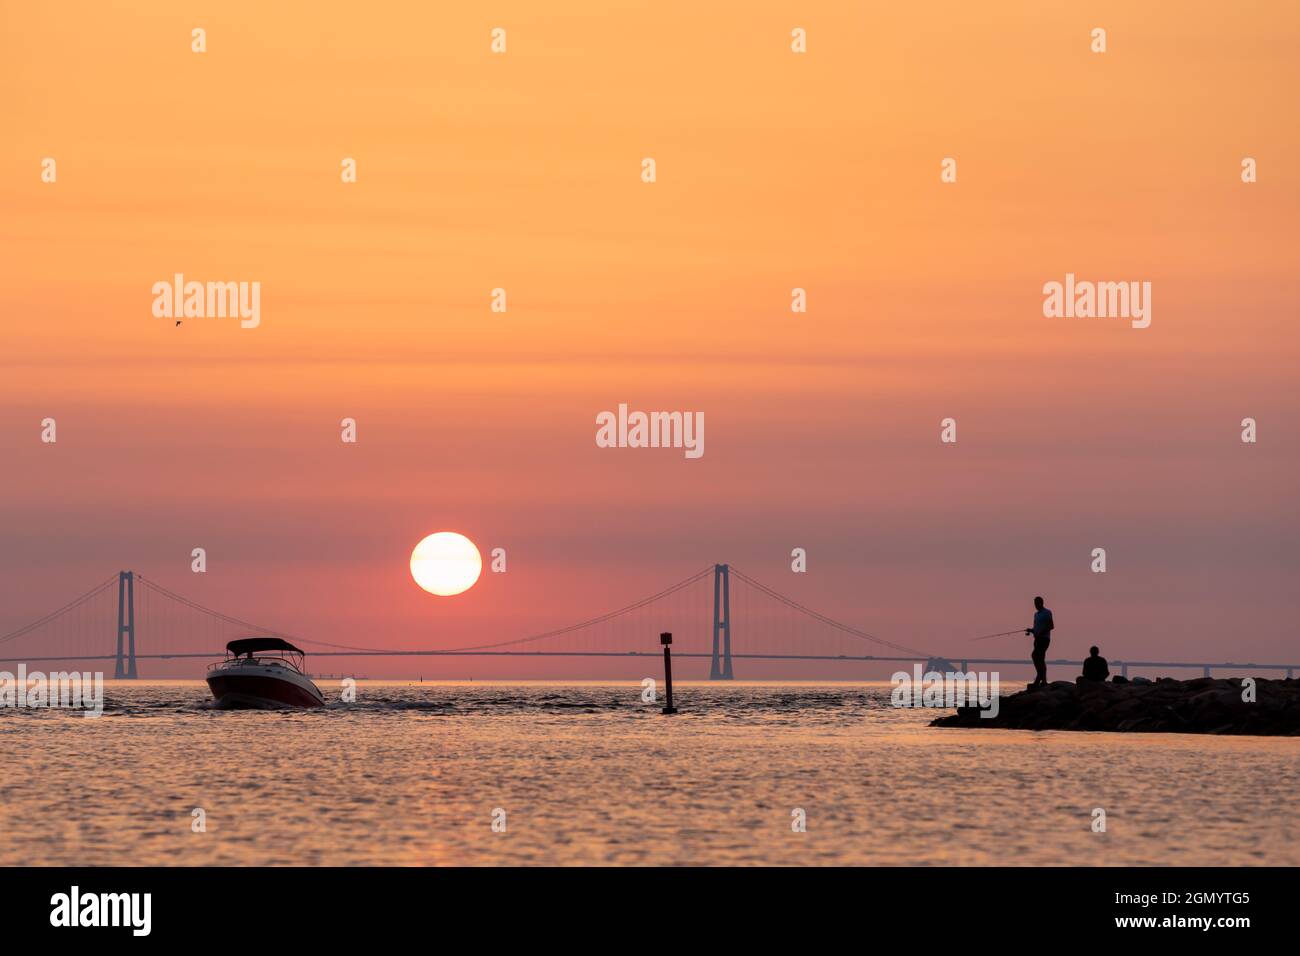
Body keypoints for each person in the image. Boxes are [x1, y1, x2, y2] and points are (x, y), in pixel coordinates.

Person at [1025, 596, 1054, 686]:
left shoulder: (1047, 612)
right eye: (1035, 604)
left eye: (1037, 603)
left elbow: (1051, 626)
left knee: (1036, 656)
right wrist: (1031, 630)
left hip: (1044, 639)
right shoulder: (1036, 615)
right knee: (1040, 659)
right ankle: (1043, 679)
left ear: (1041, 603)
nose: (1036, 605)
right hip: (1037, 639)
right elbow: (1036, 628)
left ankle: (1040, 678)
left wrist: (1041, 633)